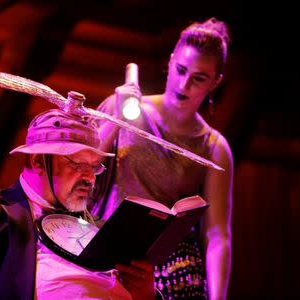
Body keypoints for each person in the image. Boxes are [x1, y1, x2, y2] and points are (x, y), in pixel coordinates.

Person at [0, 107, 163, 299]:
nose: (90, 178)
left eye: (94, 167)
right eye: (77, 163)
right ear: (38, 161)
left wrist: (147, 296)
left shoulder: (104, 231)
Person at [92, 18, 233, 300]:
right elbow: (78, 167)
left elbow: (217, 235)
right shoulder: (126, 106)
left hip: (164, 267)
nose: (184, 84)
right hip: (105, 246)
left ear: (215, 82)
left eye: (199, 78)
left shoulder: (214, 146)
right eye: (180, 70)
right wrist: (117, 118)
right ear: (170, 63)